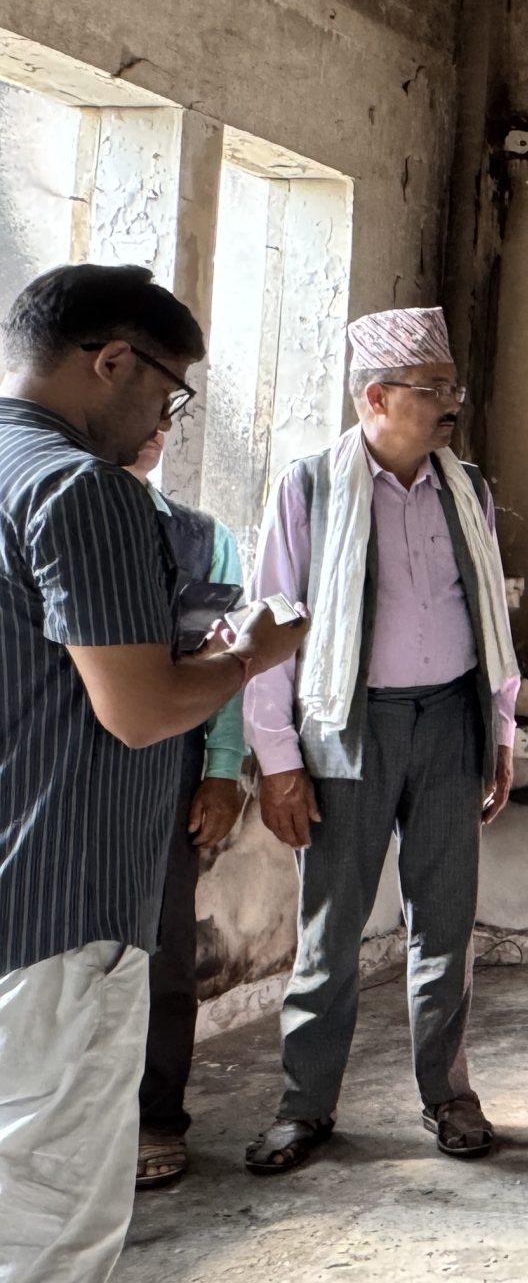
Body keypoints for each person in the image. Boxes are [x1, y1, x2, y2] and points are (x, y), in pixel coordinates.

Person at [0, 264, 304, 1282]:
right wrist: (250, 656)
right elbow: (138, 712)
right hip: (61, 901)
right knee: (53, 1218)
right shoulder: (82, 490)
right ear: (113, 362)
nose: (163, 420)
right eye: (169, 392)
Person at [242, 306, 521, 1175]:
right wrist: (279, 761)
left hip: (451, 719)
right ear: (375, 397)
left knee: (446, 923)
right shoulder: (310, 488)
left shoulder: (466, 488)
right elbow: (270, 626)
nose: (451, 403)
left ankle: (449, 1095)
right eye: (432, 388)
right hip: (346, 726)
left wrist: (499, 732)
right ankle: (304, 1106)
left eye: (451, 386)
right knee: (331, 932)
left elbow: (486, 618)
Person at [126, 426, 251, 1189]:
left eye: (167, 407)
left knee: (163, 950)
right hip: (52, 761)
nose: (156, 425)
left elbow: (229, 658)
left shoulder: (205, 539)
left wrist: (223, 769)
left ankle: (154, 1117)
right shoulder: (47, 511)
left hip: (165, 767)